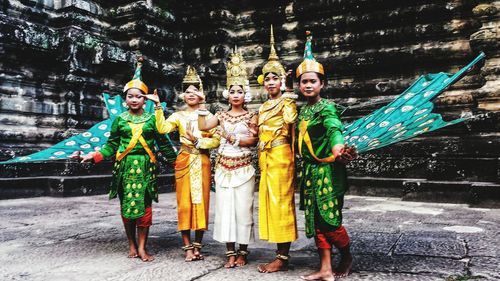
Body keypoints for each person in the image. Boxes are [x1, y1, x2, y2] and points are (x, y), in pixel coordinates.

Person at [79, 59, 177, 262]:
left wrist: (177, 162)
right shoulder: (120, 120)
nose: (134, 100)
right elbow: (110, 145)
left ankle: (142, 247)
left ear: (145, 100)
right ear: (125, 99)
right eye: (130, 96)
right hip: (123, 167)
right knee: (127, 207)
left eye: (139, 97)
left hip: (146, 167)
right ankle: (131, 243)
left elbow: (164, 144)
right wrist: (94, 156)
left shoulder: (152, 119)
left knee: (145, 207)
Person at [296, 32, 356, 281]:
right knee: (317, 220)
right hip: (311, 171)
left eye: (313, 81)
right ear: (298, 85)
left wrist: (338, 149)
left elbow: (334, 129)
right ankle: (326, 269)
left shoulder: (327, 107)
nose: (308, 85)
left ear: (322, 84)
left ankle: (347, 255)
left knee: (330, 219)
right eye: (304, 82)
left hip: (329, 170)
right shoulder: (302, 111)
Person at [147, 66, 220, 262]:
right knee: (185, 204)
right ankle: (187, 247)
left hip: (202, 160)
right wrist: (157, 107)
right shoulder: (178, 116)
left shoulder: (208, 115)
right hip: (185, 160)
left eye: (195, 91)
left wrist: (198, 141)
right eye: (187, 91)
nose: (191, 94)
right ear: (183, 95)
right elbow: (162, 129)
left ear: (201, 93)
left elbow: (216, 140)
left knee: (201, 203)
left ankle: (198, 245)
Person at [197, 49, 258, 268]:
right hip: (223, 166)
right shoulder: (221, 115)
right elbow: (203, 127)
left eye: (239, 92)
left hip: (243, 167)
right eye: (232, 91)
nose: (235, 95)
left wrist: (235, 140)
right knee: (225, 210)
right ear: (227, 94)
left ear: (245, 95)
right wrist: (203, 106)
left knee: (243, 209)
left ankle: (243, 252)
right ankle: (229, 252)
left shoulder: (251, 115)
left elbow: (254, 140)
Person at [256, 25, 299, 273]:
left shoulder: (286, 101)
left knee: (281, 203)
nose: (271, 82)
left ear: (282, 80)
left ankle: (282, 257)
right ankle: (278, 252)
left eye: (276, 78)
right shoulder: (262, 107)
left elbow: (291, 120)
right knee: (269, 204)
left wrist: (290, 92)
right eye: (268, 78)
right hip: (266, 159)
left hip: (281, 157)